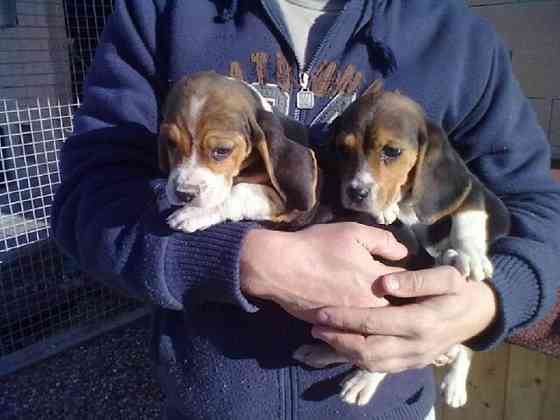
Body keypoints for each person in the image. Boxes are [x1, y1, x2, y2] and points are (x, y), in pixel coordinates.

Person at [51, 1, 560, 419]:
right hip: (210, 404)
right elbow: (87, 200)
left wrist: (487, 302)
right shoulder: (160, 12)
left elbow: (536, 205)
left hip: (391, 404)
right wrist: (249, 259)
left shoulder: (460, 38)